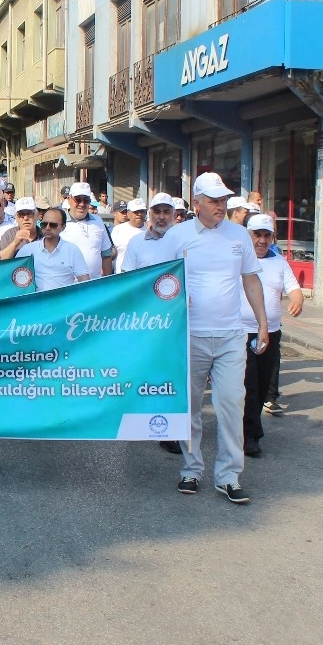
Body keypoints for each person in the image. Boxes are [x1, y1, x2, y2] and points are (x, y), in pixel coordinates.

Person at [163, 172, 268, 504]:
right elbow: (161, 281)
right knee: (190, 408)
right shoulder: (176, 236)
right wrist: (178, 298)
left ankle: (228, 476)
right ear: (196, 203)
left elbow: (251, 281)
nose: (220, 206)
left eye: (223, 200)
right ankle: (191, 469)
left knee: (230, 405)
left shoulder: (239, 235)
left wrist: (262, 324)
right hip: (190, 336)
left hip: (231, 337)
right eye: (213, 201)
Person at [119, 193, 182, 454]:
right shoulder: (136, 243)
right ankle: (137, 422)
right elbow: (127, 280)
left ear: (174, 215)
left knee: (171, 375)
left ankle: (170, 431)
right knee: (143, 371)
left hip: (175, 319)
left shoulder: (183, 241)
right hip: (145, 319)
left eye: (166, 211)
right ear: (149, 214)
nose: (161, 216)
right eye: (157, 211)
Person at [241, 214, 303, 458]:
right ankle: (250, 436)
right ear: (248, 236)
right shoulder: (238, 261)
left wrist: (297, 301)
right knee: (249, 384)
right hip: (242, 332)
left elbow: (294, 288)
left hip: (271, 334)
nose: (262, 240)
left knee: (263, 381)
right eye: (257, 235)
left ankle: (250, 428)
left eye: (267, 235)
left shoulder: (279, 261)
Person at [15, 207, 89, 292]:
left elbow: (85, 282)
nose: (47, 228)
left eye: (53, 225)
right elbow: (12, 275)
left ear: (63, 227)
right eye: (44, 224)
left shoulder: (72, 250)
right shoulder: (27, 250)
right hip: (35, 302)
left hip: (64, 302)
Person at [61, 182, 114, 279]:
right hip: (67, 287)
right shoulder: (60, 221)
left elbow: (106, 255)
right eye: (77, 199)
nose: (82, 204)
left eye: (86, 200)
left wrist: (107, 285)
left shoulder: (98, 221)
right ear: (69, 200)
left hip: (94, 285)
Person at [111, 198, 147, 273]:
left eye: (142, 211)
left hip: (144, 277)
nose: (139, 214)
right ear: (128, 213)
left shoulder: (150, 230)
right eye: (136, 212)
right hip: (121, 278)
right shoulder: (117, 230)